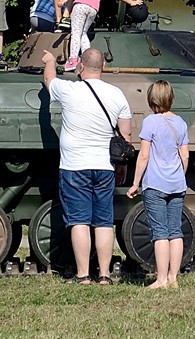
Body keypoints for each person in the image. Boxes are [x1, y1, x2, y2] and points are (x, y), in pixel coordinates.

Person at [42, 48, 132, 285]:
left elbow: (49, 80)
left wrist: (50, 61)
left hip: (75, 165)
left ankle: (83, 275)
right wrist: (121, 166)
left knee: (79, 221)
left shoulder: (70, 89)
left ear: (81, 66)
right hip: (104, 165)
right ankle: (104, 274)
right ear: (103, 67)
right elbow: (125, 135)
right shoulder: (117, 94)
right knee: (103, 221)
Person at [127, 81, 189, 289]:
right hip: (177, 184)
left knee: (160, 232)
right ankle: (173, 278)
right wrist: (180, 176)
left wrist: (135, 183)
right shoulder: (180, 122)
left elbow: (144, 155)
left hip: (155, 184)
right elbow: (185, 155)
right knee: (176, 231)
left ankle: (161, 279)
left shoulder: (150, 122)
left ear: (151, 99)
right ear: (171, 97)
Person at [59, 0, 143, 70]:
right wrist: (131, 2)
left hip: (80, 6)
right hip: (93, 10)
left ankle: (73, 60)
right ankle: (87, 59)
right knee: (83, 34)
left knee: (76, 33)